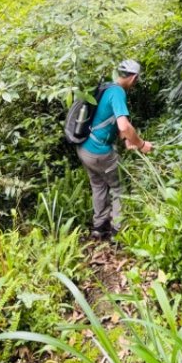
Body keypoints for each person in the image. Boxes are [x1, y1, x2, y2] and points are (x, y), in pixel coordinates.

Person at [77, 59, 154, 240]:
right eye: (137, 80)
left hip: (84, 148)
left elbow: (110, 121)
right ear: (134, 78)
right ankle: (117, 232)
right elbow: (124, 126)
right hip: (99, 152)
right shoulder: (118, 92)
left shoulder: (106, 88)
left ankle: (99, 227)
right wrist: (142, 144)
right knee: (119, 187)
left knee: (98, 186)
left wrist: (127, 140)